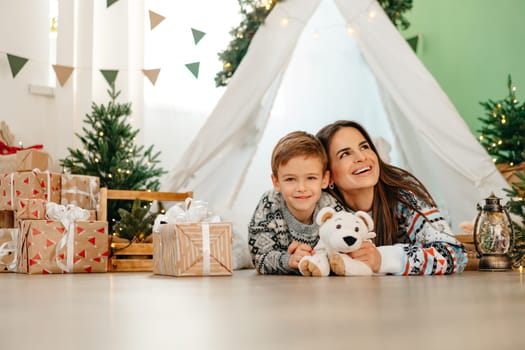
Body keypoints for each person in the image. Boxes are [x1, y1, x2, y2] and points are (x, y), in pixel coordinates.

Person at [316, 120, 467, 275]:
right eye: (345, 154)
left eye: (364, 147)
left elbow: (455, 254)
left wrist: (383, 259)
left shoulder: (403, 197)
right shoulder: (321, 211)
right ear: (328, 177)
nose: (361, 157)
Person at [248, 131, 343, 274]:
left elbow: (345, 244)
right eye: (290, 179)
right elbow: (259, 257)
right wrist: (289, 260)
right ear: (276, 182)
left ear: (324, 179)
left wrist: (319, 257)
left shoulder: (330, 208)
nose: (301, 188)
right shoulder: (270, 205)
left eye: (311, 178)